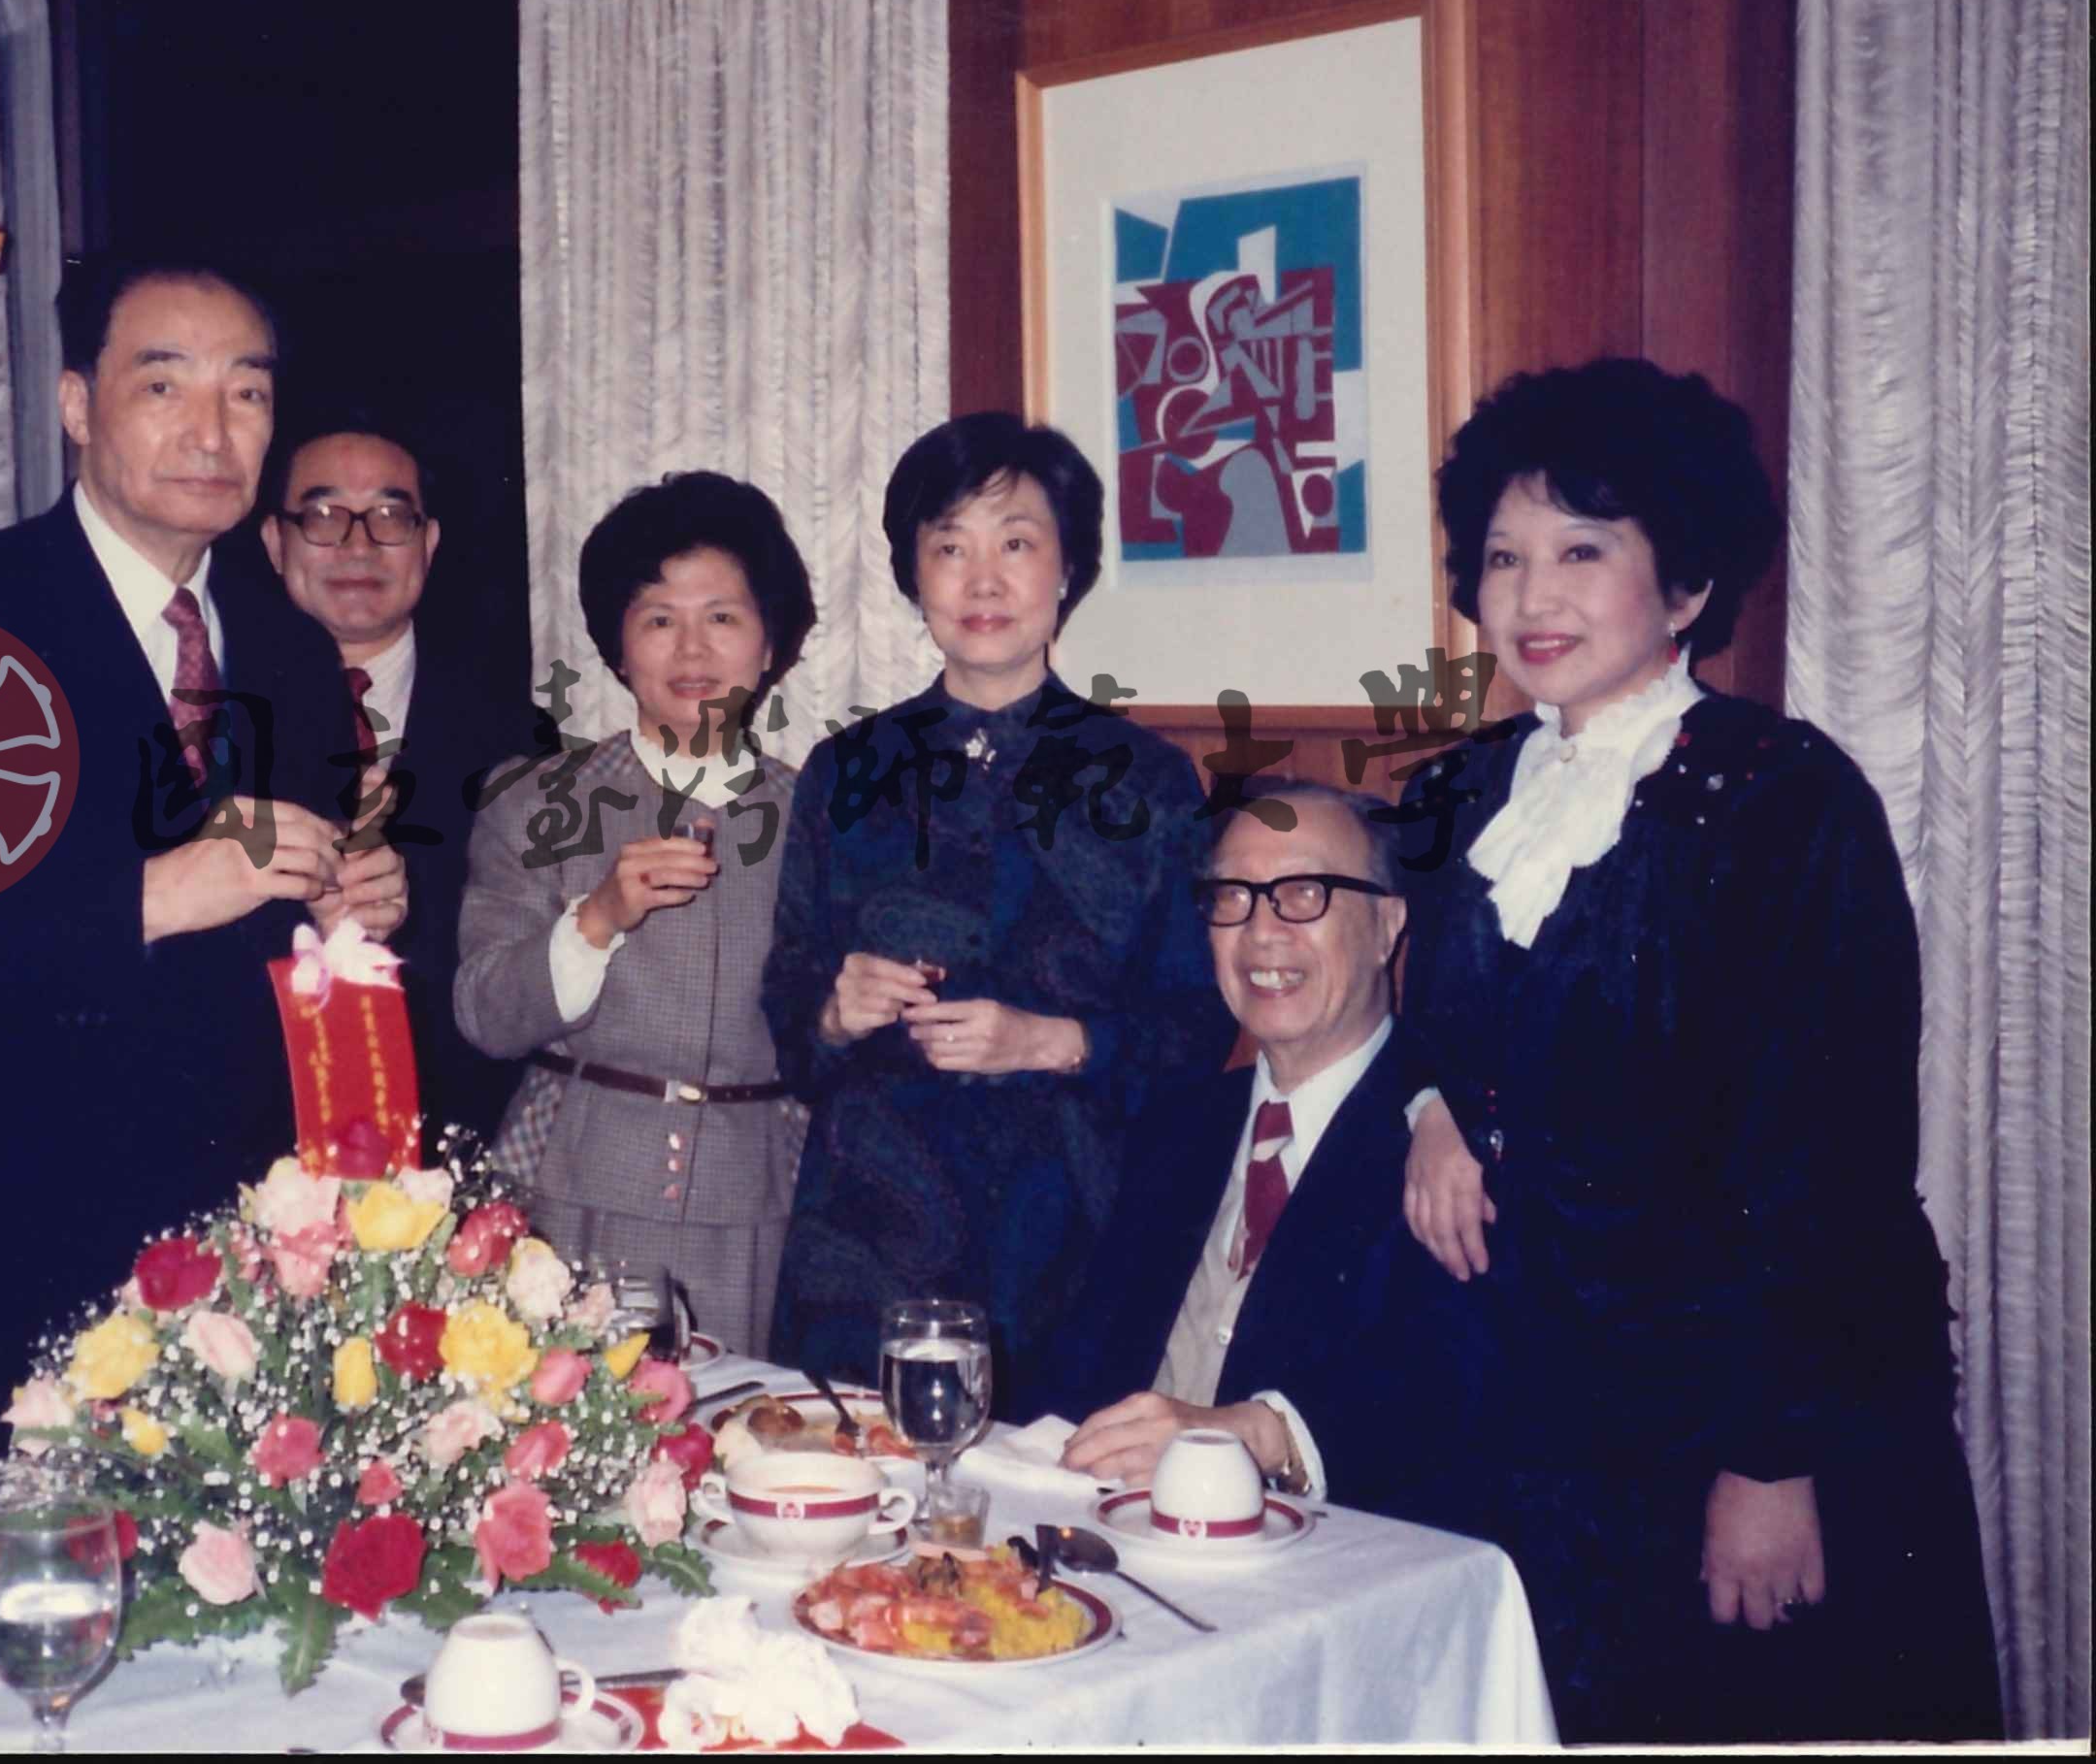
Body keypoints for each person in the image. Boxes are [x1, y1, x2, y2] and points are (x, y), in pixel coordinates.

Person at [1395, 358, 2000, 1743]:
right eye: (1503, 555)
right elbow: (1425, 1016)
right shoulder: (1461, 791)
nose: (1532, 596)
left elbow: (1831, 1158)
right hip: (1533, 1396)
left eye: (1581, 551)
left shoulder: (1785, 798)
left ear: (1682, 587)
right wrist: (1431, 1104)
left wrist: (1770, 1461)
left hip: (1731, 1410)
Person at [0, 255, 405, 1421]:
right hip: (16, 1250)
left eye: (246, 392)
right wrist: (147, 897)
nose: (212, 431)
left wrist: (347, 904)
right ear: (77, 406)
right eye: (163, 386)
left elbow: (279, 914)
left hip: (244, 1261)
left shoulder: (290, 649)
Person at [765, 413, 1232, 1420]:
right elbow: (787, 1018)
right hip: (863, 1248)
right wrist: (835, 1010)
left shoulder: (1146, 780)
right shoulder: (845, 772)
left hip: (1068, 1245)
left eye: (1015, 544)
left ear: (1068, 570)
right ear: (913, 575)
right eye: (949, 548)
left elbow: (1198, 1028)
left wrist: (1050, 1041)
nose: (982, 581)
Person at [1039, 781, 1492, 1535]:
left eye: (1305, 893)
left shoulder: (1454, 1140)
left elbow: (1451, 1392)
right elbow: (1081, 1372)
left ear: (1386, 927)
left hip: (1332, 1561)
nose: (1261, 933)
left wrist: (1260, 1436)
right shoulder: (1177, 1127)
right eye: (1234, 898)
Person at [453, 473, 816, 1354]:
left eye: (722, 616)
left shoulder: (820, 817)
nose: (692, 649)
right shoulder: (537, 802)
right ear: (618, 647)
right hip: (569, 1185)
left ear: (769, 641)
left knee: (745, 1422)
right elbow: (484, 1015)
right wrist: (598, 917)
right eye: (658, 619)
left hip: (753, 1194)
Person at [262, 418, 521, 1151]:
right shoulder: (209, 720)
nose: (358, 545)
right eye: (323, 515)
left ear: (428, 543)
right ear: (275, 543)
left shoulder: (516, 736)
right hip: (251, 1132)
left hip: (451, 1139)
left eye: (389, 515)